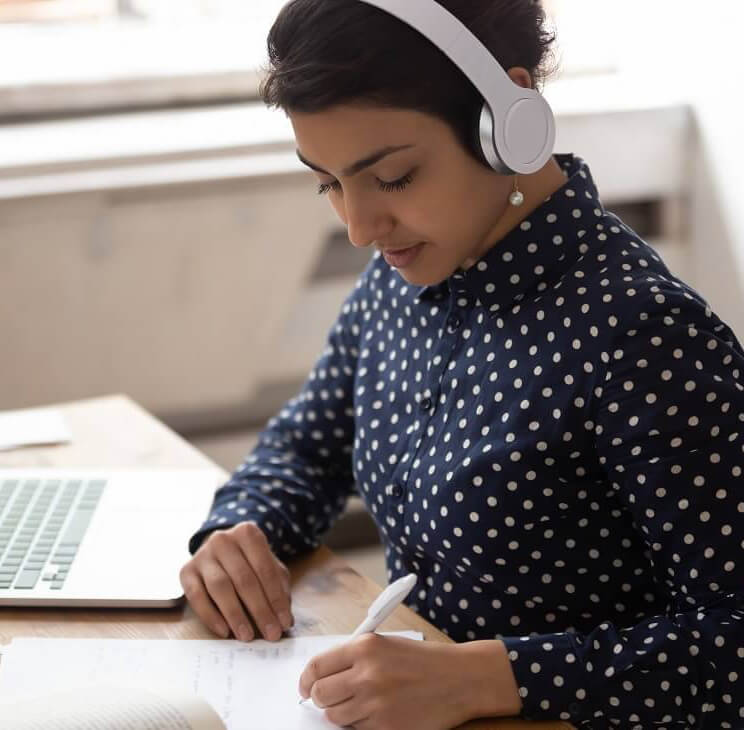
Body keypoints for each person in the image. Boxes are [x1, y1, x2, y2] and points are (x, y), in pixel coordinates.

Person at [179, 1, 744, 727]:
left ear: (509, 121)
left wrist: (494, 677)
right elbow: (305, 446)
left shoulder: (646, 335)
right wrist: (240, 530)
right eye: (328, 183)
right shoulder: (400, 280)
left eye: (393, 178)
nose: (358, 227)